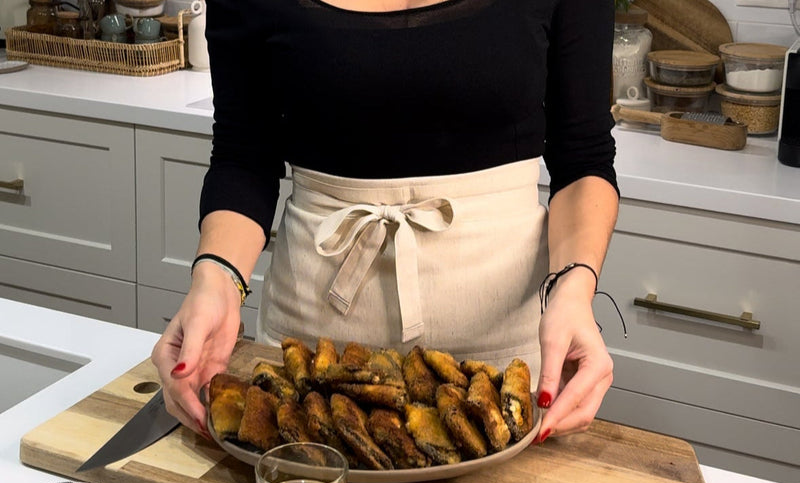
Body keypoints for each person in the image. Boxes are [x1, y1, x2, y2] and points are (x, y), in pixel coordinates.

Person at [151, 0, 619, 447]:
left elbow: (583, 157)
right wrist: (216, 278)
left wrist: (574, 287)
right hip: (310, 359)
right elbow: (243, 154)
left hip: (503, 360)